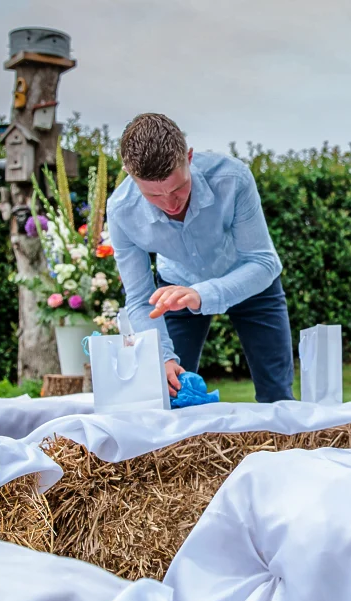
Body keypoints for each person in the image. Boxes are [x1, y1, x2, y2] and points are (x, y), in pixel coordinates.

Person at [106, 113, 294, 400]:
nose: (170, 203)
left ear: (189, 157)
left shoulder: (233, 178)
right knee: (168, 393)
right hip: (175, 289)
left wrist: (201, 294)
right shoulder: (121, 210)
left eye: (178, 188)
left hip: (250, 281)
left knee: (277, 394)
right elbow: (139, 297)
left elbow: (263, 262)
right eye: (154, 196)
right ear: (131, 175)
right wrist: (162, 356)